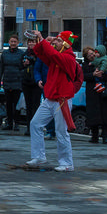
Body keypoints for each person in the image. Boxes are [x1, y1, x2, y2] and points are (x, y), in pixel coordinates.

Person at [24, 30, 78, 172]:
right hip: (51, 98)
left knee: (61, 132)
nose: (55, 43)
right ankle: (39, 156)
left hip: (62, 100)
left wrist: (43, 40)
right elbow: (41, 54)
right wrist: (41, 43)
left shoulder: (69, 59)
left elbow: (51, 54)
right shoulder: (59, 56)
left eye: (59, 41)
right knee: (35, 124)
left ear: (66, 44)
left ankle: (67, 163)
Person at [83, 46, 107, 144]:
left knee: (105, 114)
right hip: (92, 93)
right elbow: (83, 76)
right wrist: (93, 75)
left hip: (103, 92)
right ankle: (94, 136)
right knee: (93, 115)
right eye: (89, 55)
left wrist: (102, 75)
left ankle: (105, 136)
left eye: (92, 53)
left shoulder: (104, 61)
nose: (92, 56)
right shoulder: (85, 65)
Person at [0, 34, 24, 131]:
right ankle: (9, 123)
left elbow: (23, 68)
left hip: (17, 81)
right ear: (9, 42)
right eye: (11, 42)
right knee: (8, 104)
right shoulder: (5, 53)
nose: (13, 43)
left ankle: (16, 123)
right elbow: (1, 67)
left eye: (14, 42)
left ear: (17, 43)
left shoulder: (21, 53)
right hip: (7, 81)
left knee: (16, 104)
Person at [21, 36, 41, 137]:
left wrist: (32, 61)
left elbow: (40, 65)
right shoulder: (25, 53)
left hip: (36, 83)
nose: (31, 44)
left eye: (33, 42)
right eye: (29, 42)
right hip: (26, 82)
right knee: (28, 106)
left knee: (35, 106)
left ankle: (35, 128)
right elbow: (19, 66)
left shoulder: (39, 53)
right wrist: (24, 64)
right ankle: (29, 128)